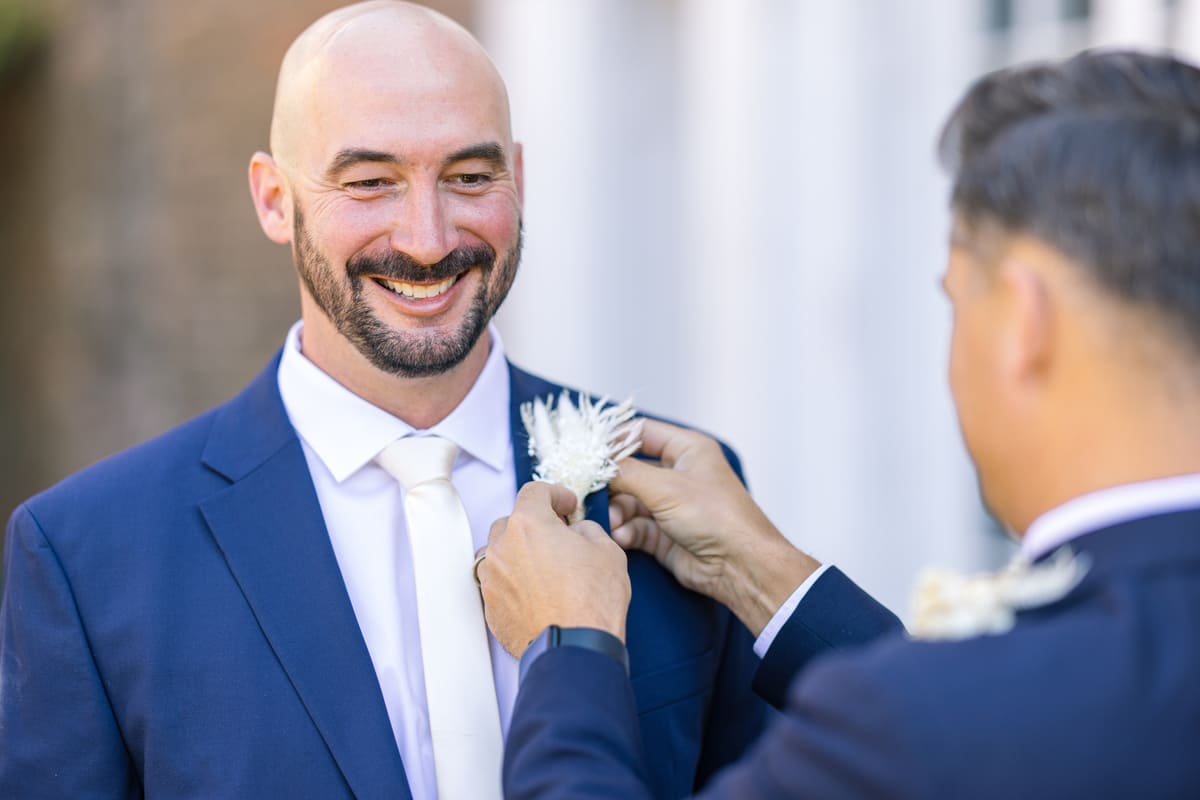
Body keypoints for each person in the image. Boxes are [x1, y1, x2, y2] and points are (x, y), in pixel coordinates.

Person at [0, 3, 791, 798]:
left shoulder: (683, 492)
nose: (427, 238)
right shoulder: (87, 555)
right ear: (275, 199)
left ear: (519, 177)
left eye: (470, 178)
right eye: (371, 182)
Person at [479, 49, 1200, 799]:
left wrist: (567, 645)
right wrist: (758, 573)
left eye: (957, 302)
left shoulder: (925, 719)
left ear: (1023, 319)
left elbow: (959, 727)